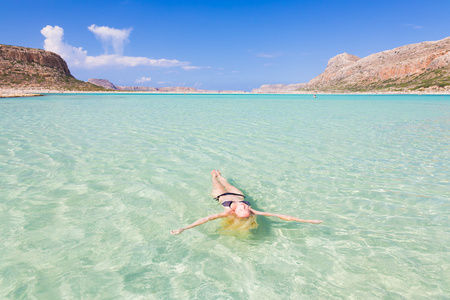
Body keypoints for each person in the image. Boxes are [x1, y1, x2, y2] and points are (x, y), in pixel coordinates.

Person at [170, 170, 323, 235]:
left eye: (242, 208)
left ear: (235, 213)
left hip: (221, 196)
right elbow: (280, 216)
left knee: (216, 183)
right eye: (245, 208)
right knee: (226, 182)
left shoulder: (227, 211)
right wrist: (307, 220)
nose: (244, 206)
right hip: (237, 194)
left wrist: (184, 228)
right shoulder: (252, 210)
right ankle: (220, 175)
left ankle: (214, 176)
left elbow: (206, 219)